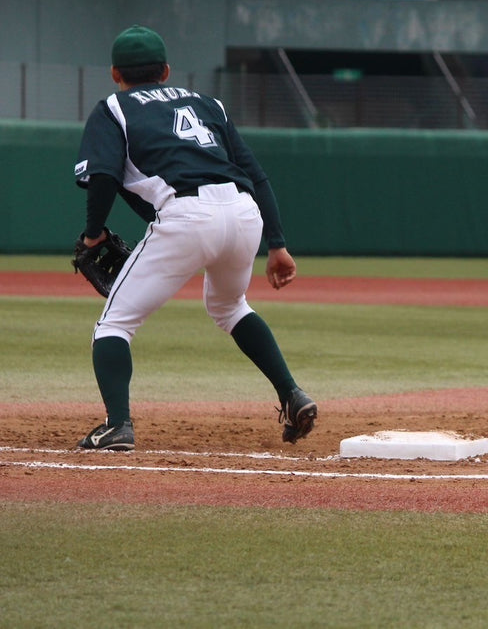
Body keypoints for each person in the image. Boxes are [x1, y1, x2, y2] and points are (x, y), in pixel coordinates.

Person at [72, 24, 317, 450]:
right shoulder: (208, 104)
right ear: (166, 70)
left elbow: (104, 176)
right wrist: (277, 243)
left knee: (115, 323)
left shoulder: (114, 107)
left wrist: (94, 237)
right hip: (244, 214)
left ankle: (117, 426)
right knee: (229, 305)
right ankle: (293, 394)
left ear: (116, 74)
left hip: (187, 215)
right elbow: (255, 173)